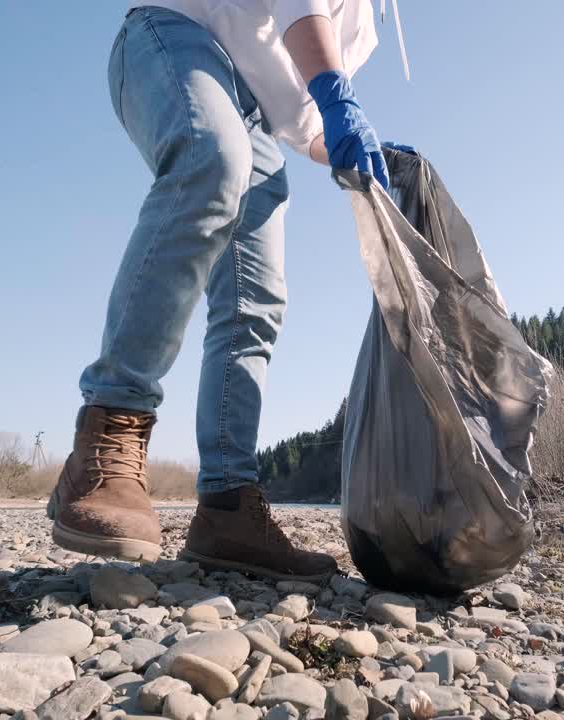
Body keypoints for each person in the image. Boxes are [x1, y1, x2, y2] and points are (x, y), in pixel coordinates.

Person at [47, 0, 407, 582]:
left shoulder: (367, 27)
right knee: (211, 161)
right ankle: (109, 435)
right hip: (173, 36)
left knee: (256, 296)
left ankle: (228, 505)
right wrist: (339, 95)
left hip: (256, 116)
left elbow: (303, 122)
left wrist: (348, 143)